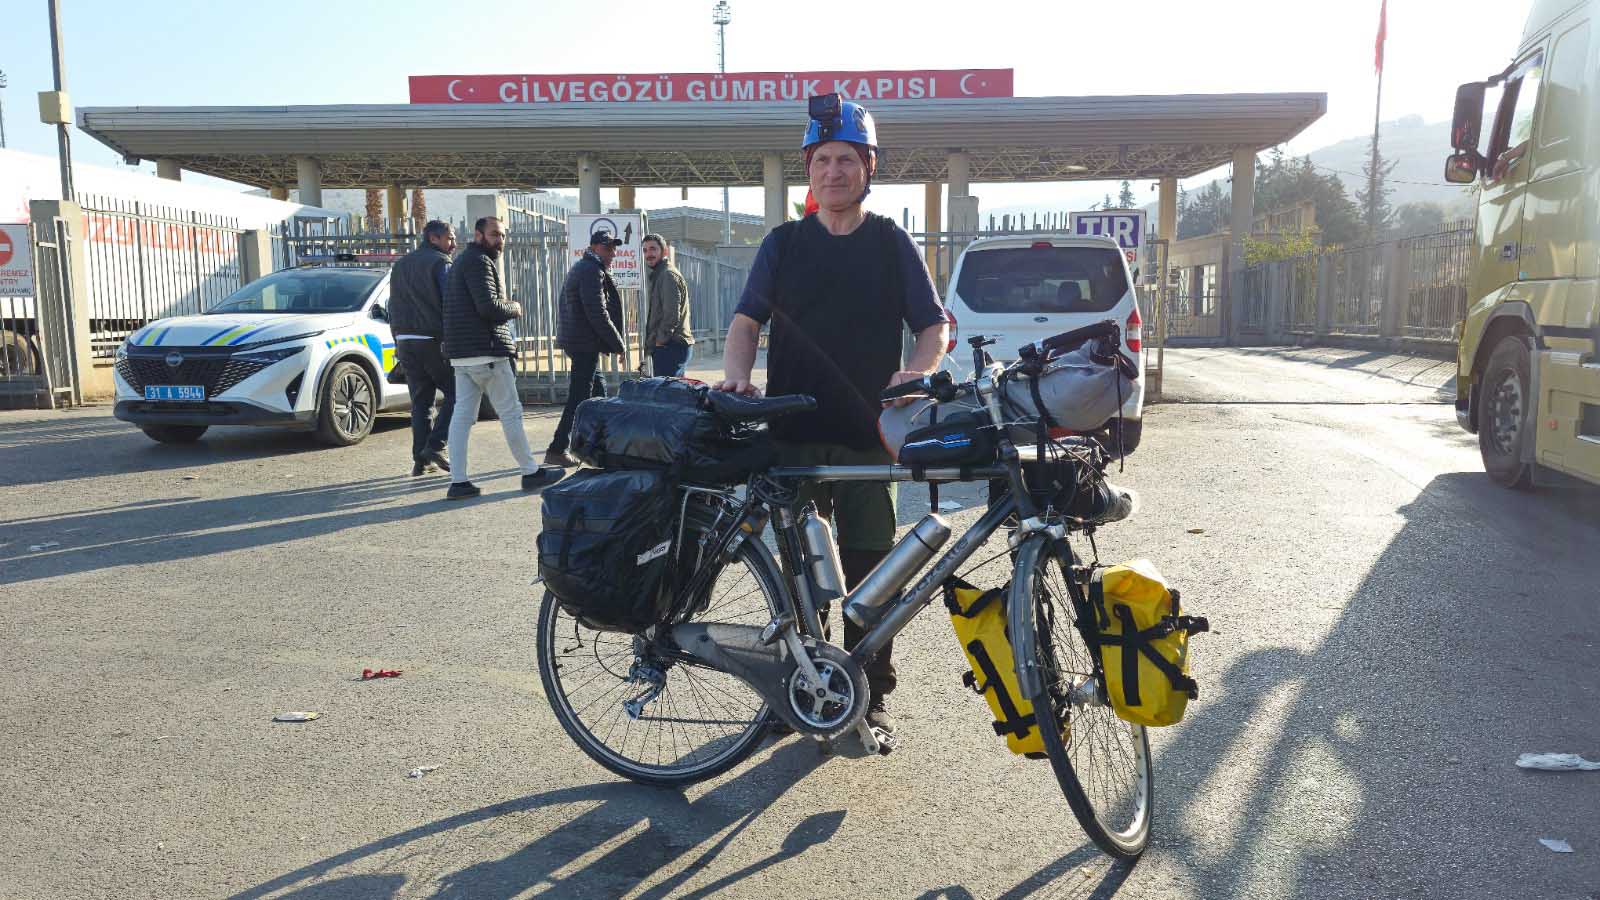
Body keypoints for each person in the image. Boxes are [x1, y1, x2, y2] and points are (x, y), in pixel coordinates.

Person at [713, 94, 950, 735]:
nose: (832, 171)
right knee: (793, 577)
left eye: (846, 158)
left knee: (873, 572)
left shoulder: (890, 242)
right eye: (821, 160)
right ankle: (796, 690)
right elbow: (744, 322)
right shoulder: (784, 244)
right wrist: (738, 373)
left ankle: (868, 695)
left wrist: (920, 370)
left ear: (868, 167)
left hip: (868, 436)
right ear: (808, 170)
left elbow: (933, 326)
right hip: (793, 435)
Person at [441, 216, 560, 499]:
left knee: (461, 417)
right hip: (487, 351)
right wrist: (515, 307)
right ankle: (531, 472)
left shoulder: (458, 262)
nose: (500, 240)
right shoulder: (480, 262)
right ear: (478, 234)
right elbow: (489, 307)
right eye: (495, 234)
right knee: (510, 413)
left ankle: (458, 482)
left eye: (503, 235)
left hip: (462, 356)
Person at [545, 229, 626, 467]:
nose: (612, 253)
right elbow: (597, 313)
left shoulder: (586, 268)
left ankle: (601, 445)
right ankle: (557, 448)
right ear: (594, 248)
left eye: (613, 248)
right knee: (579, 398)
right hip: (583, 344)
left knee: (598, 396)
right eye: (608, 248)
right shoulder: (590, 271)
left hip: (580, 342)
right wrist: (618, 343)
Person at [388, 220, 457, 477]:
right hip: (432, 339)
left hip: (404, 341)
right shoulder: (441, 263)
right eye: (449, 238)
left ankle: (421, 459)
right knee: (459, 394)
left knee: (421, 402)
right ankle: (436, 445)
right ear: (433, 238)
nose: (453, 243)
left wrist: (397, 339)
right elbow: (450, 303)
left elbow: (393, 304)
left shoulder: (401, 264)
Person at [642, 233, 694, 377]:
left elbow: (671, 314)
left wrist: (660, 341)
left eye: (653, 249)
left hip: (671, 346)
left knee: (667, 395)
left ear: (664, 251)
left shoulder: (667, 275)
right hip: (670, 346)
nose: (648, 254)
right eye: (645, 250)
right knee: (674, 393)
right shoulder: (660, 274)